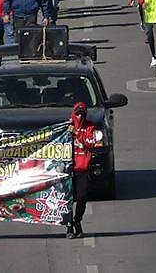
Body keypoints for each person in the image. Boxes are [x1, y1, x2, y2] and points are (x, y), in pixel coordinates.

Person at [66, 102, 98, 239]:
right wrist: (69, 130)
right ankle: (68, 226)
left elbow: (91, 142)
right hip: (68, 169)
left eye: (82, 114)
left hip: (83, 168)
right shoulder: (67, 126)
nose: (79, 116)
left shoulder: (90, 127)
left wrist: (77, 134)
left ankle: (77, 220)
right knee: (67, 199)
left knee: (82, 197)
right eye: (77, 114)